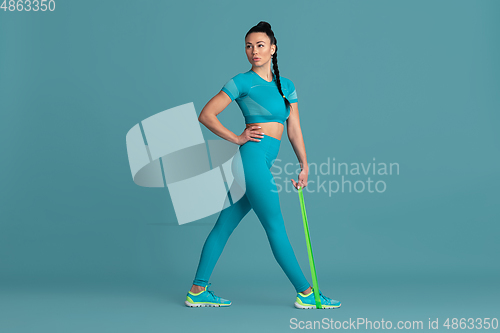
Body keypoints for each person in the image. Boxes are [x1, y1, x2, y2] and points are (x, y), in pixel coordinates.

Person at [185, 21, 341, 309]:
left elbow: (294, 128)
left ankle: (197, 290)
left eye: (259, 45)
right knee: (276, 227)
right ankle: (307, 294)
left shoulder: (287, 86)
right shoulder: (242, 82)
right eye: (248, 46)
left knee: (223, 227)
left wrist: (304, 165)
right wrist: (236, 137)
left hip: (261, 164)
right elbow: (206, 114)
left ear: (273, 48)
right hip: (251, 160)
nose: (254, 51)